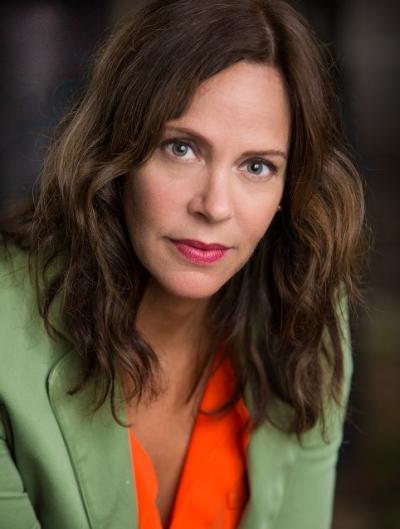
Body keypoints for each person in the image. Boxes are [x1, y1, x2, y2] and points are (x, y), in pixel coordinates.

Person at [0, 0, 366, 528]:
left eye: (257, 166)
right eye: (182, 149)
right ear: (117, 147)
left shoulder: (305, 314)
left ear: (291, 187)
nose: (214, 206)